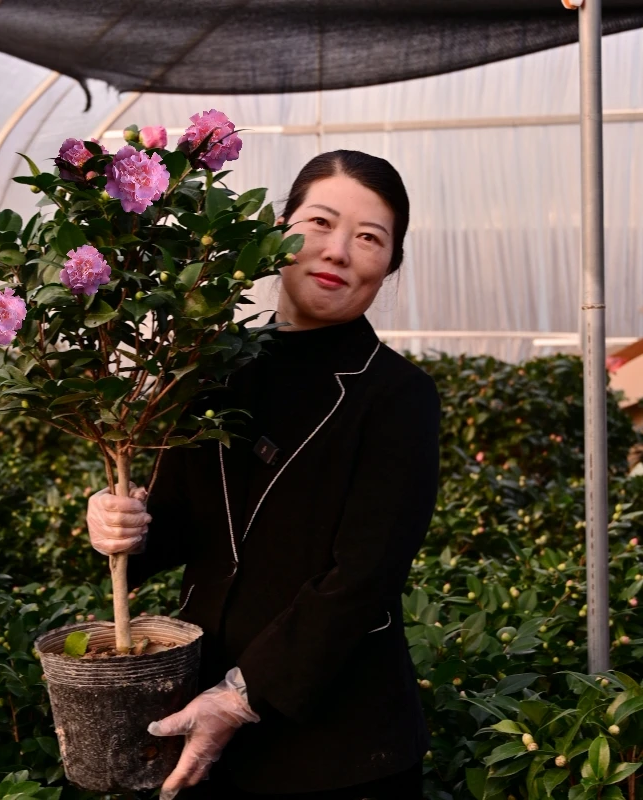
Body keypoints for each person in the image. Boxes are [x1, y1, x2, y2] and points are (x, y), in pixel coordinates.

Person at [86, 150, 441, 800]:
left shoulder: (397, 397)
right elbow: (175, 527)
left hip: (339, 750)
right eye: (320, 223)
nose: (337, 252)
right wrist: (119, 524)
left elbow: (364, 576)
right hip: (196, 714)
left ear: (391, 264)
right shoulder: (212, 368)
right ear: (279, 230)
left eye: (369, 238)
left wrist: (241, 696)